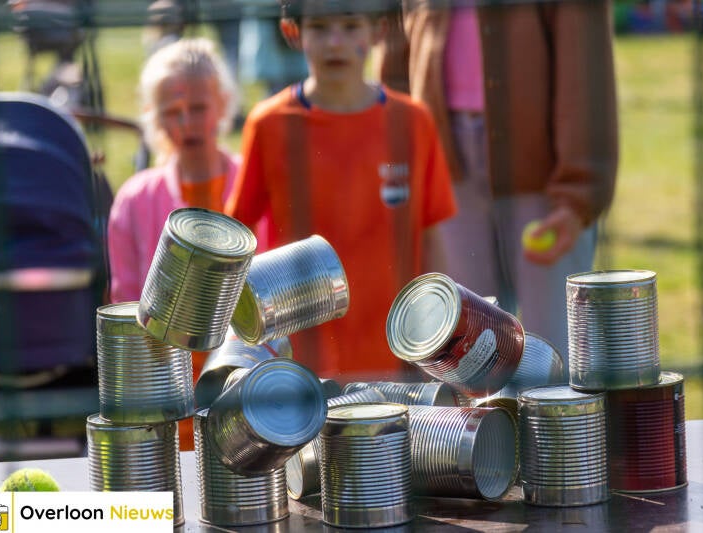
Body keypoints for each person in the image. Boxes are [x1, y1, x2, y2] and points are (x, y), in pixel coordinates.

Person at [224, 0, 457, 382]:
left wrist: (441, 336)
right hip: (297, 364)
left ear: (379, 31)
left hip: (396, 357)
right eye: (319, 28)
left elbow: (434, 239)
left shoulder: (412, 122)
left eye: (351, 27)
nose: (336, 43)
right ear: (292, 32)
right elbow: (234, 243)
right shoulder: (269, 124)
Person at [379, 0, 619, 367]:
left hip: (542, 174)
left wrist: (577, 195)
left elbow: (586, 63)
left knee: (553, 349)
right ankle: (480, 427)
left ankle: (556, 425)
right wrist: (398, 169)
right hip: (444, 165)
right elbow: (396, 48)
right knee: (463, 349)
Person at [107, 37, 239, 450]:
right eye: (171, 113)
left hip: (243, 399)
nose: (186, 123)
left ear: (223, 104)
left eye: (198, 108)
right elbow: (126, 307)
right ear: (152, 118)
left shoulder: (250, 182)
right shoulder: (134, 200)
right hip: (167, 405)